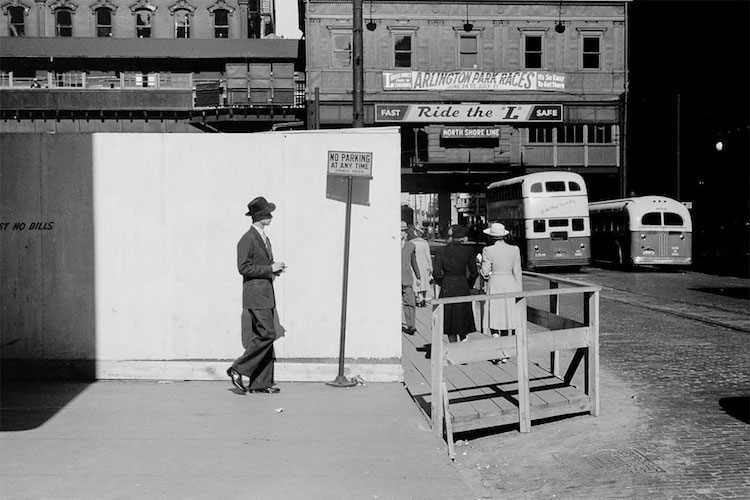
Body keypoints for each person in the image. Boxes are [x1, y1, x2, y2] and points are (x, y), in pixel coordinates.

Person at [227, 196, 286, 394]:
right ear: (259, 216)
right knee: (267, 334)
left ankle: (261, 383)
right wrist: (269, 268)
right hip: (256, 296)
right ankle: (238, 369)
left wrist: (273, 271)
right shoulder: (248, 239)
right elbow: (243, 267)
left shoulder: (263, 238)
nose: (271, 216)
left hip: (265, 294)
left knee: (265, 335)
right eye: (267, 213)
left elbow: (257, 266)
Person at [480, 222, 523, 362]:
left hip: (495, 284)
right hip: (510, 283)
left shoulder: (488, 250)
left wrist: (482, 269)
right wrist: (518, 291)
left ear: (491, 237)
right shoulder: (514, 249)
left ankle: (498, 350)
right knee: (506, 316)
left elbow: (485, 272)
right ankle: (506, 353)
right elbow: (517, 271)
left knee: (495, 316)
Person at [433, 225, 477, 343]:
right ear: (462, 238)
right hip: (462, 286)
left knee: (450, 322)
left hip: (447, 286)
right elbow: (474, 273)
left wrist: (443, 283)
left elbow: (436, 273)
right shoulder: (468, 251)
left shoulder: (440, 251)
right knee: (463, 318)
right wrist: (469, 285)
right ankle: (464, 342)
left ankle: (453, 347)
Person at [401, 221, 421, 335]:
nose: (401, 233)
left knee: (410, 301)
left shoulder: (410, 246)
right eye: (400, 230)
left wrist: (418, 276)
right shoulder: (390, 244)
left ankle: (411, 325)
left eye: (403, 231)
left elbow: (414, 261)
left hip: (406, 277)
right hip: (392, 279)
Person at [409, 226, 433, 307]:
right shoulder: (425, 243)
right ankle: (424, 298)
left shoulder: (411, 243)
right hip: (424, 264)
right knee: (425, 282)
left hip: (416, 264)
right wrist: (430, 266)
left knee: (418, 282)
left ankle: (419, 298)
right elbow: (428, 256)